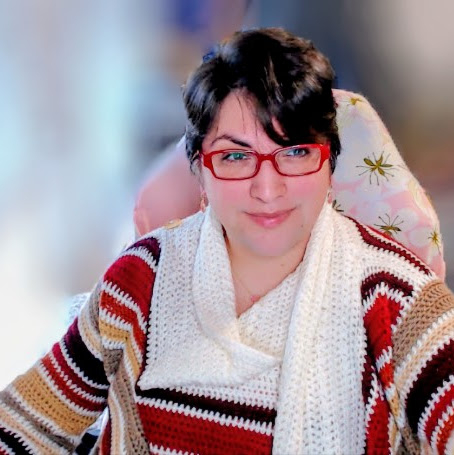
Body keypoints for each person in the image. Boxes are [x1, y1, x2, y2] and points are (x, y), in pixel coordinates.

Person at [0, 27, 453, 454]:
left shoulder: (397, 300)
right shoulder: (141, 281)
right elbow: (29, 421)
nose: (268, 189)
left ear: (329, 164)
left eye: (295, 152)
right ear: (200, 170)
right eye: (235, 156)